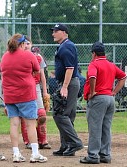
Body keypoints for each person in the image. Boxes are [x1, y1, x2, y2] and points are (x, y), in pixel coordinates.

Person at [1, 33, 47, 163]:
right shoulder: (28, 55)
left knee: (14, 124)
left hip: (10, 95)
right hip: (26, 94)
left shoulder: (5, 57)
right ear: (21, 44)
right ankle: (35, 153)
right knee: (30, 124)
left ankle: (16, 153)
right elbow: (37, 70)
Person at [80, 42, 126, 164]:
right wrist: (114, 92)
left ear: (94, 53)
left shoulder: (94, 64)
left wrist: (93, 91)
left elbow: (92, 77)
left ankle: (93, 156)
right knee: (106, 128)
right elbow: (123, 77)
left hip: (98, 98)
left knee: (95, 128)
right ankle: (105, 155)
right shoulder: (111, 64)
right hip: (110, 99)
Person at [50, 23, 84, 156]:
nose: (53, 33)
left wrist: (64, 87)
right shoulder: (64, 46)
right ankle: (66, 146)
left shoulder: (67, 46)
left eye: (56, 31)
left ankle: (74, 143)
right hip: (68, 83)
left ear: (64, 32)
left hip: (68, 84)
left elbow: (70, 68)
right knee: (67, 116)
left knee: (60, 114)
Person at [20, 37, 51, 150]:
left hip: (35, 86)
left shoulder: (38, 57)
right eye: (24, 43)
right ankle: (28, 140)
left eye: (28, 43)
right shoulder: (18, 57)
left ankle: (43, 140)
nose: (27, 45)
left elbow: (42, 76)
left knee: (41, 114)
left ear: (31, 44)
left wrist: (45, 92)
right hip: (23, 87)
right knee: (25, 115)